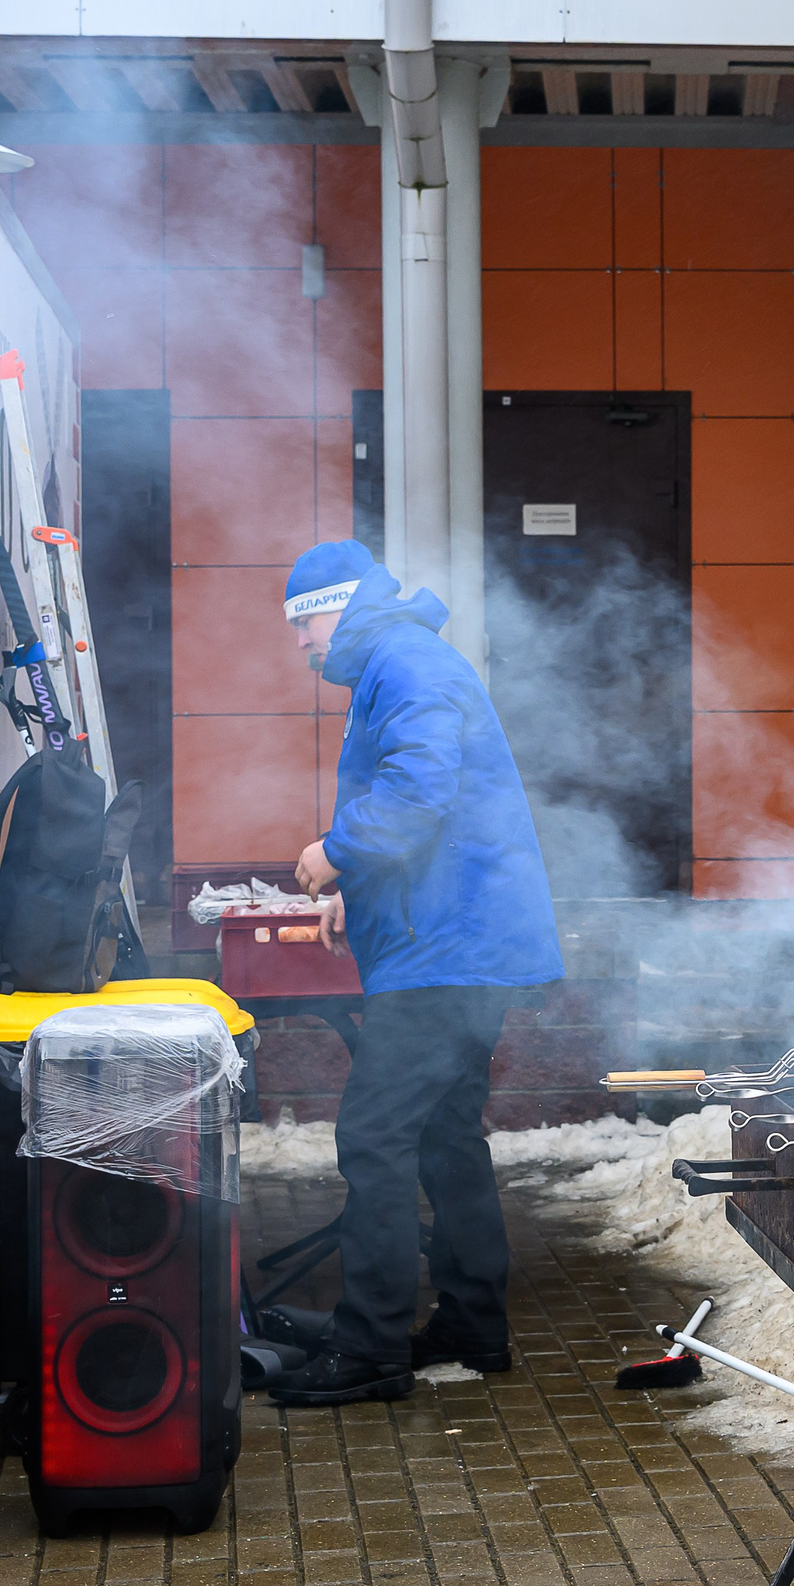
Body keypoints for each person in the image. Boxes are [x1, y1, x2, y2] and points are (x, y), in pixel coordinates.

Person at [266, 539, 565, 1407]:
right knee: (442, 1134)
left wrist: (335, 854)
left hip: (446, 952)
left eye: (304, 618)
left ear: (343, 603)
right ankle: (473, 1324)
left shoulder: (405, 662)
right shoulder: (396, 664)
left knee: (374, 1137)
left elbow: (417, 792)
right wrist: (357, 890)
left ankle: (370, 1346)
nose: (299, 641)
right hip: (451, 943)